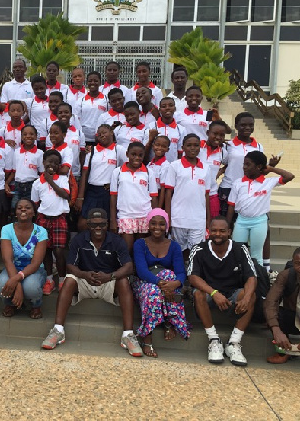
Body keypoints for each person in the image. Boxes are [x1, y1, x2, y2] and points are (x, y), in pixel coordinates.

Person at [41, 208, 142, 356]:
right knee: (69, 280)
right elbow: (70, 265)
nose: (98, 228)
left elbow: (128, 267)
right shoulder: (79, 240)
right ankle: (58, 330)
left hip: (108, 282)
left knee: (124, 281)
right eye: (94, 225)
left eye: (102, 224)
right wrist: (83, 274)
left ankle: (128, 335)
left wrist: (110, 276)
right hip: (85, 280)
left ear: (107, 224)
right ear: (88, 225)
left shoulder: (116, 241)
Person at [188, 217, 257, 366]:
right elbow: (193, 277)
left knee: (250, 295)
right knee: (198, 293)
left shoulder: (240, 249)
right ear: (209, 232)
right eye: (214, 230)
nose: (217, 234)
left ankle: (234, 343)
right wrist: (214, 293)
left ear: (229, 232)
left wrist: (246, 298)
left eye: (222, 231)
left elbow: (251, 277)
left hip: (233, 293)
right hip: (209, 295)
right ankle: (214, 340)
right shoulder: (199, 249)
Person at [133, 209, 190, 357]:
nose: (157, 227)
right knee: (153, 291)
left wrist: (176, 283)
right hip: (144, 282)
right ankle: (147, 338)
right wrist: (161, 282)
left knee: (170, 276)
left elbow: (181, 273)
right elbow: (141, 271)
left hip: (167, 285)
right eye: (153, 223)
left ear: (167, 226)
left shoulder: (174, 246)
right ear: (148, 225)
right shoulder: (140, 244)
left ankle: (169, 322)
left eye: (161, 224)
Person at [227, 151, 294, 265]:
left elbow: (289, 176)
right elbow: (231, 205)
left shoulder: (268, 182)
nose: (244, 167)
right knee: (237, 250)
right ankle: (239, 277)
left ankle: (256, 278)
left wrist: (271, 168)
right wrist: (228, 225)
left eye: (248, 164)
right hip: (241, 221)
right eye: (244, 164)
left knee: (256, 253)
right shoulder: (238, 183)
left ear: (258, 167)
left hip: (259, 222)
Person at [0, 198, 48, 319]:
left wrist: (16, 279)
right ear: (16, 212)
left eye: (28, 207)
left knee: (31, 287)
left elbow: (36, 263)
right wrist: (17, 285)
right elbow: (7, 259)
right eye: (19, 208)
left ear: (34, 213)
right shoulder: (7, 229)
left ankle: (35, 304)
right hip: (13, 267)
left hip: (35, 270)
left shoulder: (41, 231)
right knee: (1, 285)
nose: (23, 209)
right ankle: (10, 303)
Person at [164, 134, 211, 256]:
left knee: (196, 253)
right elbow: (168, 193)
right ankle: (182, 274)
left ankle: (193, 274)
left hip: (198, 219)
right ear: (183, 147)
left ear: (200, 147)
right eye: (189, 145)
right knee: (179, 252)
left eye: (196, 145)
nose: (193, 148)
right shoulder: (175, 166)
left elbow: (206, 195)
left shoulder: (206, 168)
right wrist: (168, 218)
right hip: (178, 218)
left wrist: (207, 220)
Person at [31, 150, 70, 295]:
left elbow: (66, 195)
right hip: (43, 219)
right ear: (43, 163)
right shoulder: (36, 183)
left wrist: (50, 181)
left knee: (59, 251)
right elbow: (34, 204)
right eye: (49, 162)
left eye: (55, 162)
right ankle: (49, 280)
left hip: (59, 219)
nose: (52, 165)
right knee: (45, 251)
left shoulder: (62, 179)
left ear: (59, 165)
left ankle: (61, 279)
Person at [76, 124, 126, 231]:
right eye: (99, 134)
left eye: (104, 132)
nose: (101, 135)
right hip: (92, 191)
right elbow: (85, 173)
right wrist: (80, 197)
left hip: (108, 192)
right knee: (83, 223)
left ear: (111, 132)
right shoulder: (92, 151)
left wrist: (115, 183)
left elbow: (127, 168)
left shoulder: (119, 150)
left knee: (107, 223)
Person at [109, 142, 158, 251]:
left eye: (140, 155)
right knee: (128, 248)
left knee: (141, 249)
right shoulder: (117, 172)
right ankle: (128, 268)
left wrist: (154, 218)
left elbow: (154, 197)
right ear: (127, 154)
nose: (137, 157)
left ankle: (138, 268)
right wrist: (113, 219)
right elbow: (113, 197)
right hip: (125, 215)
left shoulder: (149, 172)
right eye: (133, 154)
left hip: (144, 215)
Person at [5, 125, 43, 210]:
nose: (28, 136)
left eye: (31, 134)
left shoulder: (40, 153)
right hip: (18, 186)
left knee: (31, 208)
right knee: (15, 207)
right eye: (25, 134)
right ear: (21, 137)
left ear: (36, 136)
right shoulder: (17, 152)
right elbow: (14, 172)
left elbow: (42, 174)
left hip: (32, 186)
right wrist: (7, 183)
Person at [198, 120, 227, 218]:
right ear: (207, 133)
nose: (218, 137)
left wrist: (220, 172)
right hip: (195, 192)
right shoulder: (197, 147)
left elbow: (228, 164)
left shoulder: (223, 152)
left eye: (222, 135)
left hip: (212, 193)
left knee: (212, 223)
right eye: (215, 134)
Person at [144, 96, 185, 163]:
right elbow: (145, 150)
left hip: (172, 167)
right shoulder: (151, 126)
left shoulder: (181, 129)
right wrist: (151, 140)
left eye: (170, 105)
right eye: (164, 106)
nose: (167, 108)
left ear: (174, 109)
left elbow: (180, 153)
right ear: (160, 110)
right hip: (153, 167)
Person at [74, 71, 107, 146]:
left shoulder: (106, 100)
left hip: (101, 138)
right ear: (87, 82)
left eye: (95, 81)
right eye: (90, 81)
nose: (93, 83)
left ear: (100, 82)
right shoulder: (80, 101)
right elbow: (76, 120)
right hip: (84, 138)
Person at [146, 135, 171, 209]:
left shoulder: (166, 166)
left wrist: (158, 209)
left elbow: (163, 189)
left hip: (158, 197)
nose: (160, 148)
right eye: (157, 145)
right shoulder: (149, 164)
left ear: (167, 149)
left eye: (163, 146)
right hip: (148, 196)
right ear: (153, 146)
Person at [24, 75, 50, 140]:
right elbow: (12, 103)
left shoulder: (52, 101)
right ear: (32, 89)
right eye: (36, 89)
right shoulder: (30, 102)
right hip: (36, 138)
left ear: (46, 87)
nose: (39, 91)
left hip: (50, 137)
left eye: (41, 88)